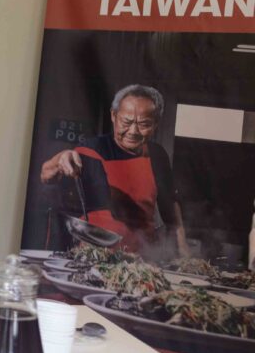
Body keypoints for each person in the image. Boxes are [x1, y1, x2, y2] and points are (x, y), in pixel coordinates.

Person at [40, 84, 189, 259]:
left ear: (155, 123)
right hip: (95, 257)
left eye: (144, 124)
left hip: (143, 258)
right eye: (126, 122)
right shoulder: (91, 149)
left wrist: (183, 248)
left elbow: (170, 205)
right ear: (114, 115)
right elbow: (46, 175)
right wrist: (59, 160)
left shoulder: (157, 155)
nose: (133, 131)